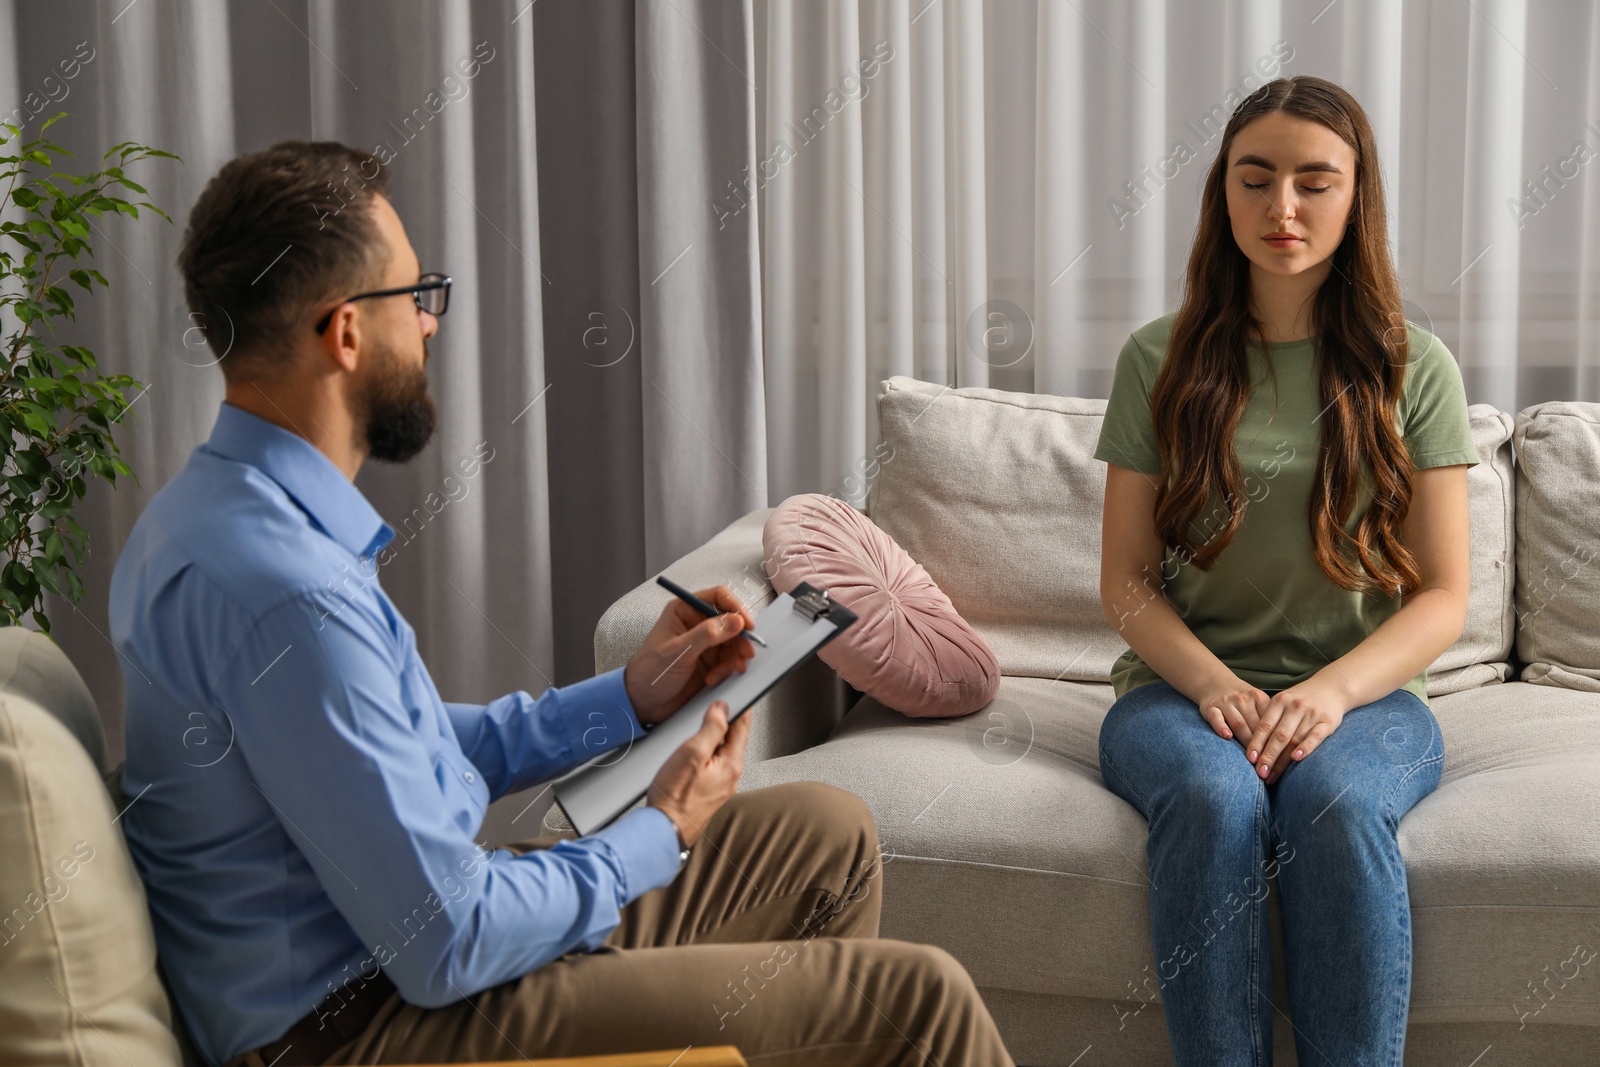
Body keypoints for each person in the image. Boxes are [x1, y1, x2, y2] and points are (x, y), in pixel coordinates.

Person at [110, 140, 1013, 1067]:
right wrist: (660, 829)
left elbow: (394, 746)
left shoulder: (204, 516)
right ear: (344, 333)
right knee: (919, 1001)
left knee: (826, 834)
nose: (430, 325)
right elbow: (448, 939)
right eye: (418, 298)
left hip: (392, 951)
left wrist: (629, 698)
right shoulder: (288, 594)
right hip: (367, 1025)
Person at [1093, 76, 1475, 1067]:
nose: (1283, 209)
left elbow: (1443, 594)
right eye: (1254, 179)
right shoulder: (1155, 358)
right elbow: (1127, 581)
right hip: (1180, 694)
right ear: (1222, 193)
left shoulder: (1414, 365)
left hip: (1368, 698)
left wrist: (1325, 695)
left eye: (1315, 181)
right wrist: (1216, 685)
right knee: (1218, 800)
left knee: (1337, 803)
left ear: (1357, 197)